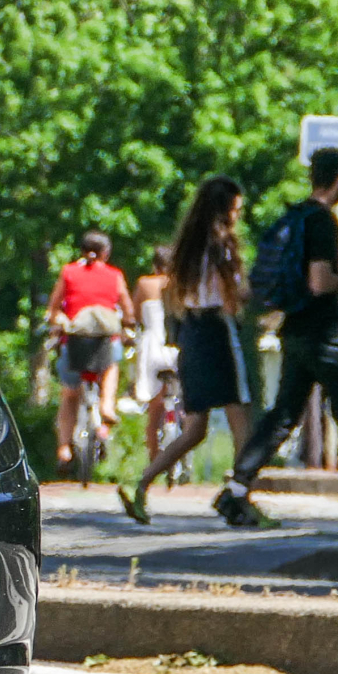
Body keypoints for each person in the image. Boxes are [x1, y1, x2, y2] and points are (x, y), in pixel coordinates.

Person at [215, 147, 338, 533]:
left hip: (295, 331)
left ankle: (236, 489)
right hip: (326, 335)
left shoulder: (295, 215)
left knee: (283, 415)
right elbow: (319, 283)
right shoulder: (322, 222)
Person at [118, 178, 253, 524]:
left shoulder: (186, 247)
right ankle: (240, 498)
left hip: (190, 334)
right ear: (225, 209)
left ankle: (142, 482)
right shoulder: (221, 244)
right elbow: (233, 295)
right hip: (216, 332)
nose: (238, 215)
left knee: (195, 428)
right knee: (241, 417)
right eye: (236, 209)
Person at [44, 229, 135, 476]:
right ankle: (106, 405)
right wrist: (129, 323)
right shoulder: (115, 275)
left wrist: (55, 321)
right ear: (106, 253)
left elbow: (53, 307)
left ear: (81, 251)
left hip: (74, 342)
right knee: (112, 365)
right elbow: (127, 308)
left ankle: (64, 449)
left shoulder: (68, 272)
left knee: (69, 396)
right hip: (105, 342)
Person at [131, 243, 180, 464]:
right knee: (185, 398)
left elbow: (133, 316)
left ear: (155, 265)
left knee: (154, 407)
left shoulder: (144, 283)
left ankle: (153, 459)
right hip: (177, 346)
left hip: (152, 346)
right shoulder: (181, 284)